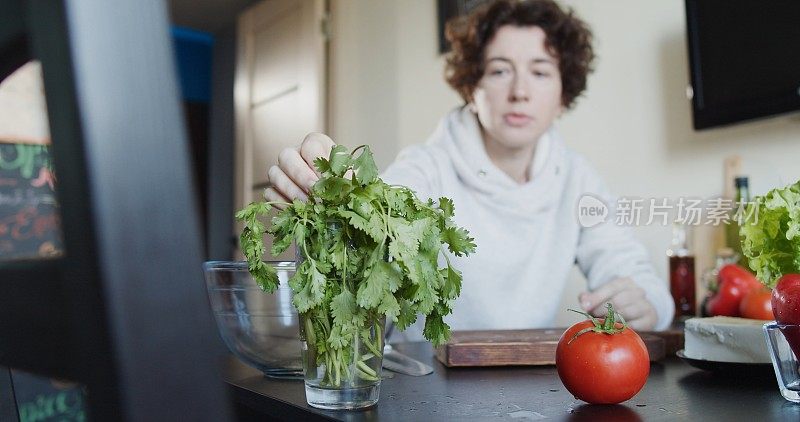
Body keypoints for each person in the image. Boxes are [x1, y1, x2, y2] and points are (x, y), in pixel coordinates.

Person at [264, 0, 674, 338]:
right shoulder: (427, 167)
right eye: (499, 70)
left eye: (540, 72)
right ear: (471, 88)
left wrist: (646, 305)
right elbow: (378, 215)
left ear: (564, 95)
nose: (519, 92)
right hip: (426, 386)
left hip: (537, 387)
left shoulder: (577, 179)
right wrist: (341, 195)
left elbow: (642, 281)